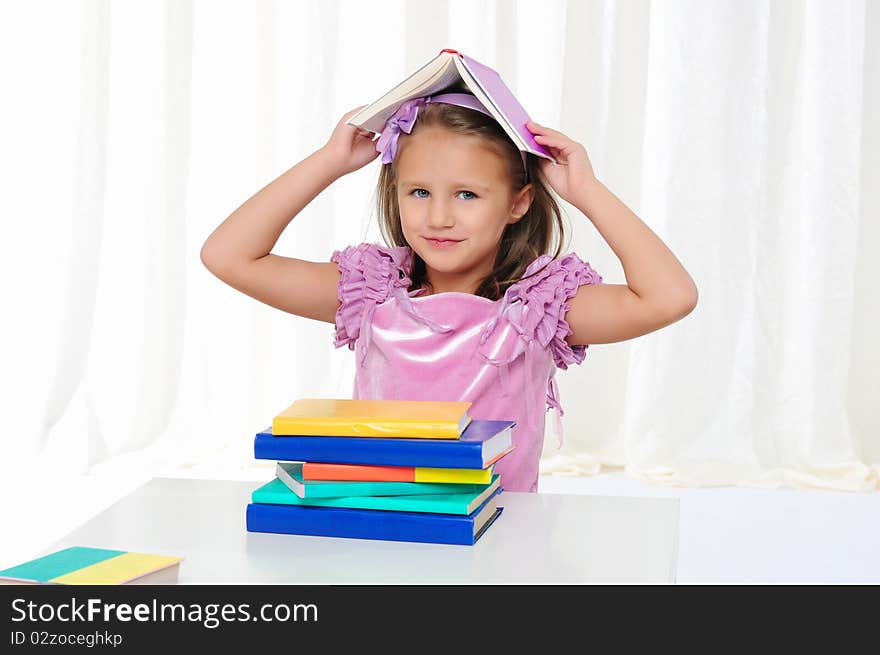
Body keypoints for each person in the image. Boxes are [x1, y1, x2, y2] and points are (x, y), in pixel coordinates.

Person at [200, 93, 698, 492]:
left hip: (494, 538)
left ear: (518, 203)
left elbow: (668, 297)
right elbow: (228, 255)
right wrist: (330, 160)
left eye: (467, 194)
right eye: (419, 192)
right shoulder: (371, 293)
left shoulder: (536, 308)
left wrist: (587, 190)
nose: (438, 217)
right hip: (382, 522)